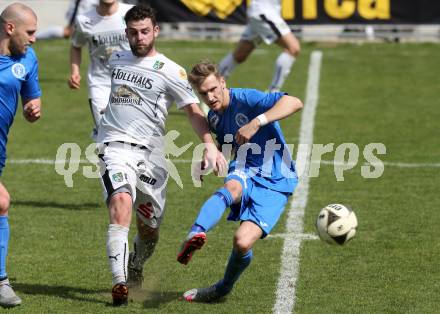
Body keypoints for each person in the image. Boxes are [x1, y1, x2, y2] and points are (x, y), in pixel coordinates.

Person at [96, 5, 226, 306]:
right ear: (125, 32)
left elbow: (193, 110)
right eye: (132, 32)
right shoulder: (115, 58)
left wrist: (209, 144)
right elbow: (102, 84)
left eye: (144, 31)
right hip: (114, 147)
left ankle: (135, 267)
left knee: (149, 231)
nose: (139, 37)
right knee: (121, 202)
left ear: (155, 31)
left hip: (152, 157)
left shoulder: (170, 70)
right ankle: (119, 284)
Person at [177, 61, 303, 302]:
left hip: (277, 178)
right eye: (203, 93)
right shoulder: (213, 118)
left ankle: (222, 289)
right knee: (231, 186)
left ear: (223, 81)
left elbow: (295, 102)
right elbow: (228, 148)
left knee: (242, 242)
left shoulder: (247, 99)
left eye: (214, 89)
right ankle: (195, 233)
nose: (211, 97)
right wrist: (212, 159)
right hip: (245, 168)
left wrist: (256, 122)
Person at [0, 3, 42, 307]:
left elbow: (32, 101)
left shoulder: (28, 58)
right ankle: (1, 282)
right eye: (30, 32)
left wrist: (32, 110)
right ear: (10, 28)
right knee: (1, 202)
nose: (35, 38)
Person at [68, 0, 133, 140]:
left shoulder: (132, 13)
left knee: (129, 132)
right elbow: (76, 45)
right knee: (109, 134)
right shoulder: (84, 20)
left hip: (131, 82)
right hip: (99, 83)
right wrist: (75, 72)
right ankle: (101, 133)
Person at [219, 0, 300, 92]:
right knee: (293, 48)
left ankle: (213, 88)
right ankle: (272, 93)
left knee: (239, 55)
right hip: (264, 12)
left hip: (261, 11)